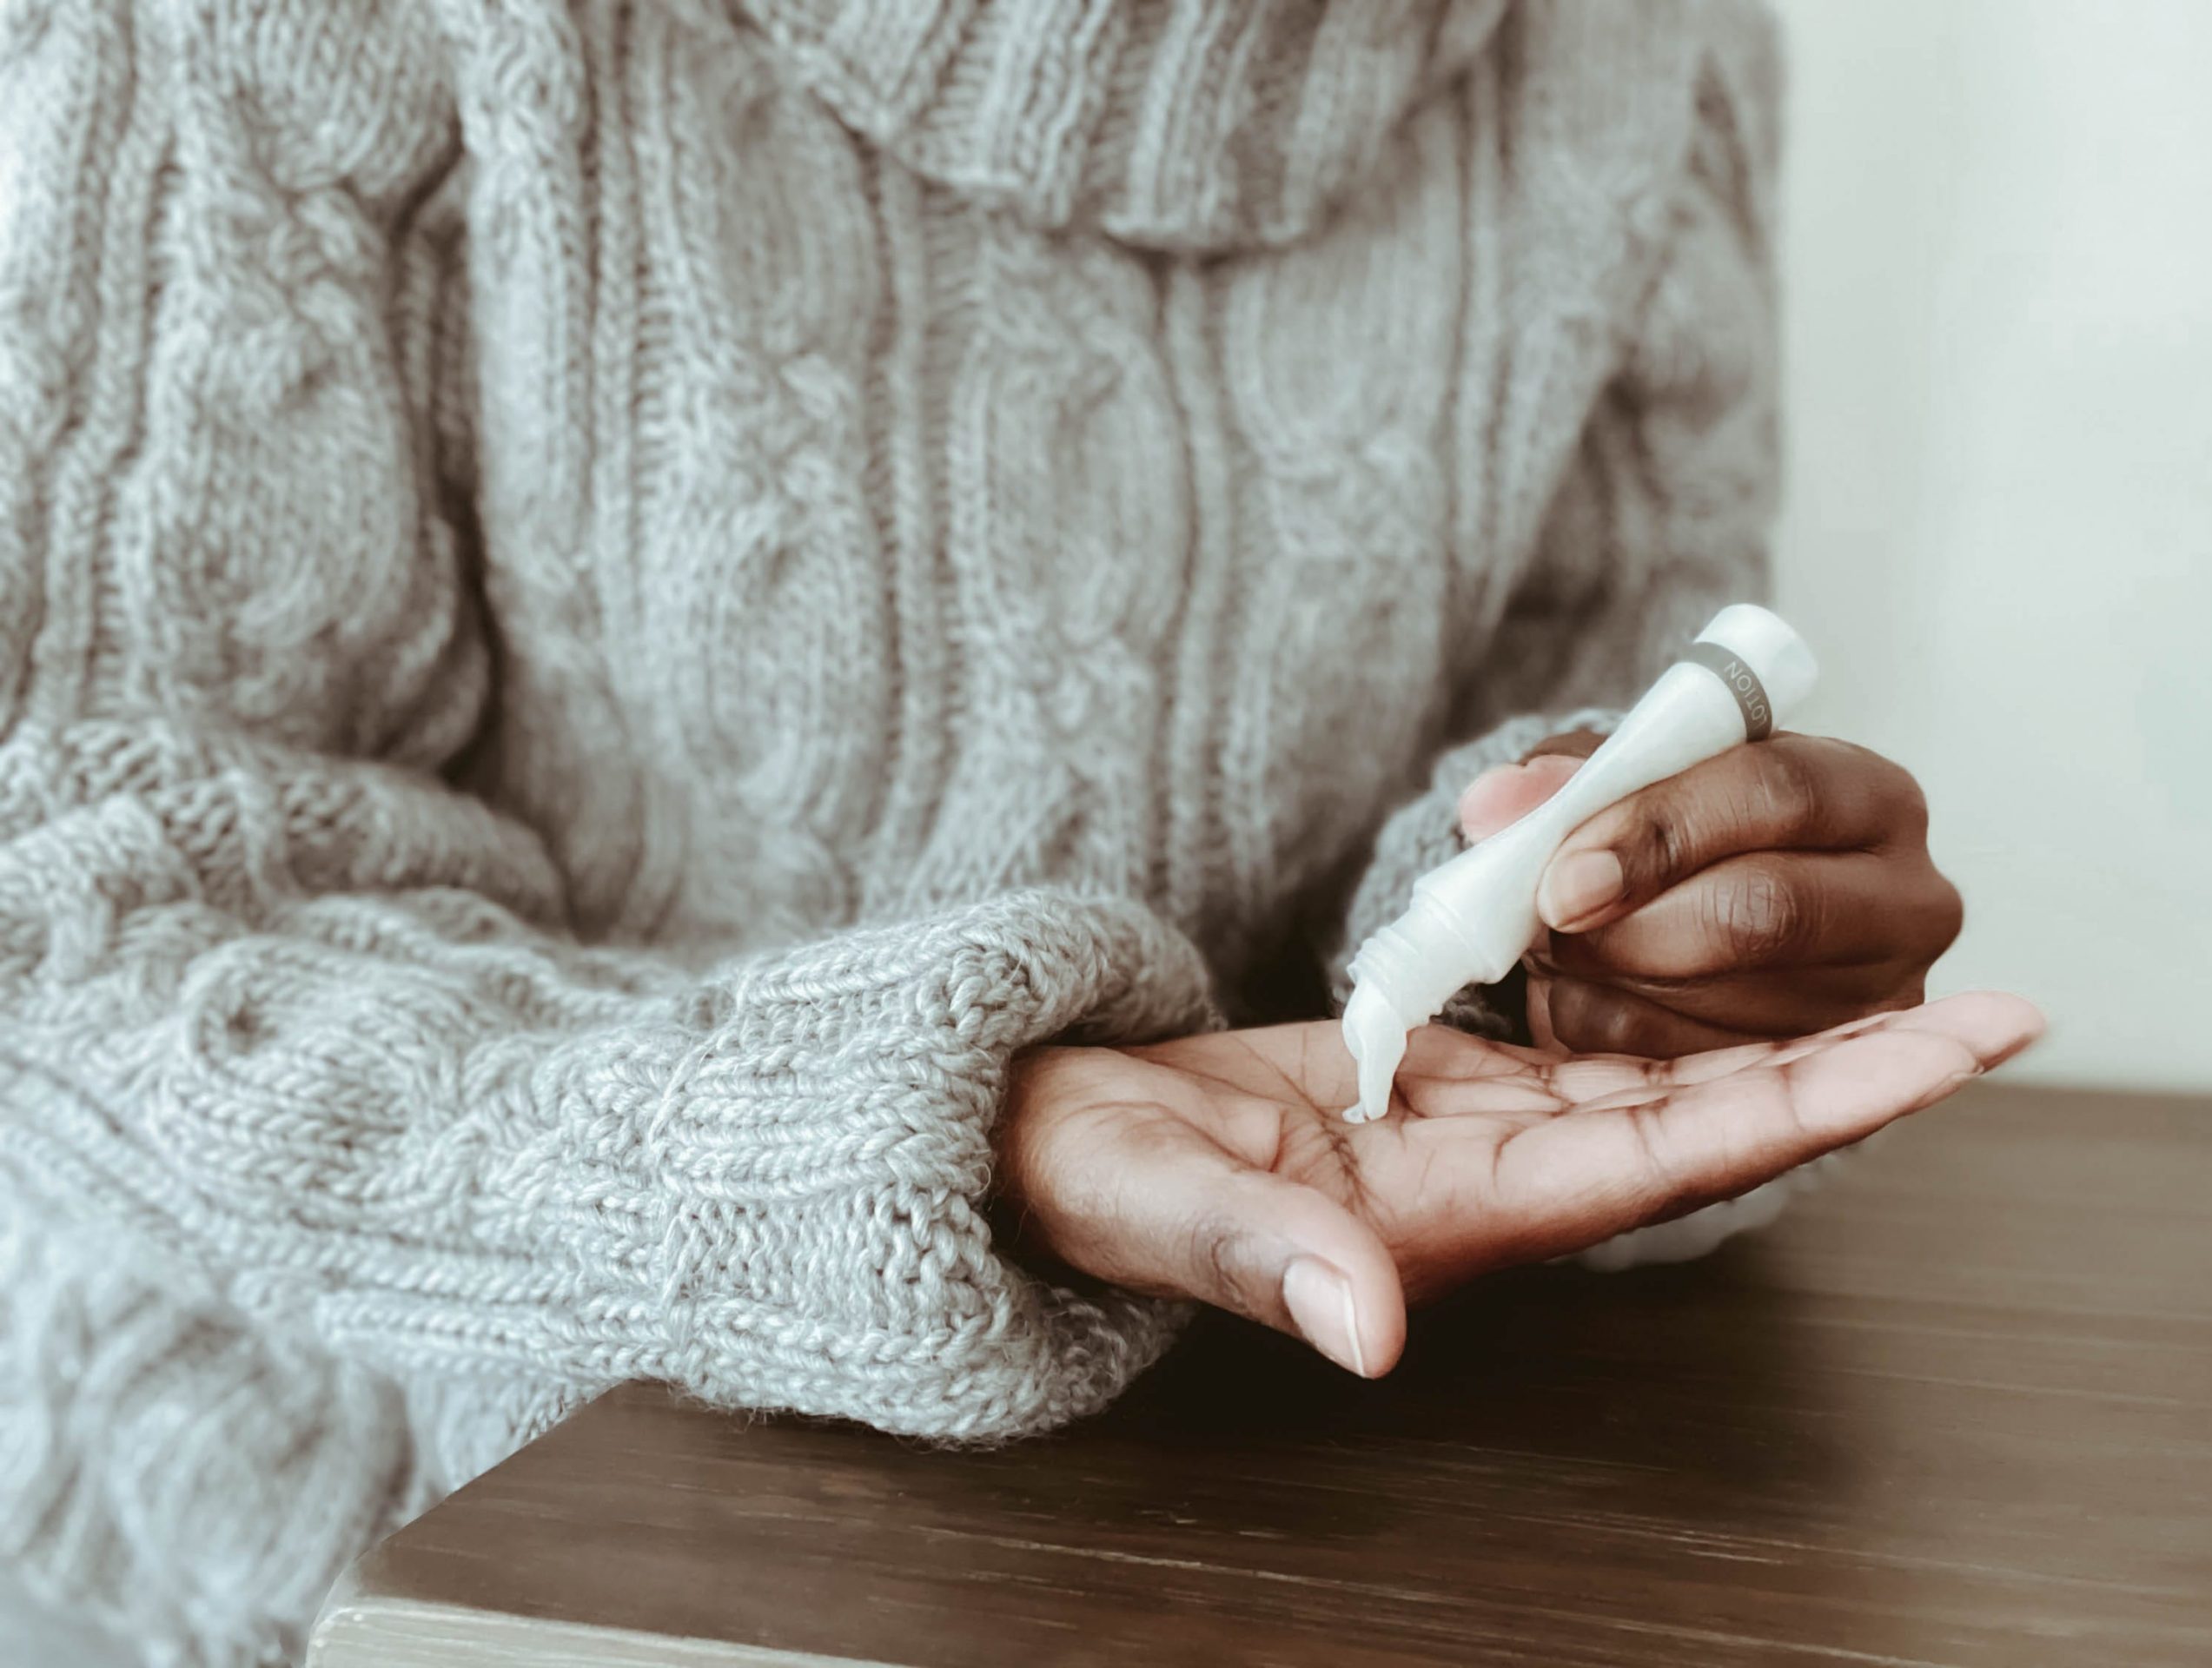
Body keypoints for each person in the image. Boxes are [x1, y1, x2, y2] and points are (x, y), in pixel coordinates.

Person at [0, 1, 2038, 1661]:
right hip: (362, 1552)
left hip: (1232, 1518)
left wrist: (1584, 957)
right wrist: (944, 1132)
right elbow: (83, 910)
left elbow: (1554, 735)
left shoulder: (1626, 48)